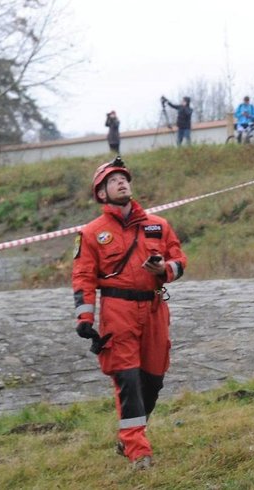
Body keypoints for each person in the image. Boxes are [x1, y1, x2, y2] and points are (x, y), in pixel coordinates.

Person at [71, 157, 187, 471]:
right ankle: (138, 451)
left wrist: (164, 269)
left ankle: (129, 435)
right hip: (117, 311)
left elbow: (180, 260)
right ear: (102, 194)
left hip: (154, 308)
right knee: (128, 379)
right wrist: (85, 318)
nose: (122, 182)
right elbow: (83, 276)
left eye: (124, 179)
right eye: (113, 180)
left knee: (153, 379)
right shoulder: (92, 233)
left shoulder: (158, 225)